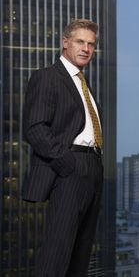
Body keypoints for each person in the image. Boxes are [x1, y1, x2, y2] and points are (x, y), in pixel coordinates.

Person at [21, 19, 104, 276]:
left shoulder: (85, 84)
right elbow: (35, 128)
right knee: (56, 253)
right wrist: (66, 162)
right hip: (70, 168)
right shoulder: (47, 77)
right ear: (65, 42)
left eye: (91, 44)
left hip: (92, 168)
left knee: (80, 255)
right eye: (80, 41)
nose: (86, 49)